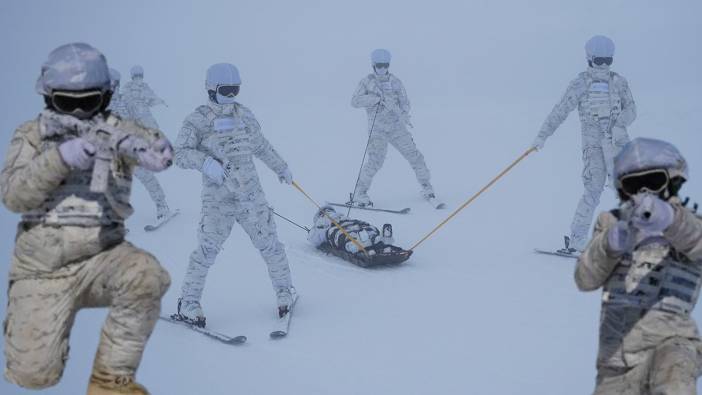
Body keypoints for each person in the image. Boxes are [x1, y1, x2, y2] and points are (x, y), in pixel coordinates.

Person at [1, 43, 173, 395]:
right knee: (33, 377)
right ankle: (37, 329)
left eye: (89, 101)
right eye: (67, 102)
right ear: (49, 97)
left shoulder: (116, 129)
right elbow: (13, 196)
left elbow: (161, 153)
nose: (78, 112)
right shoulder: (31, 136)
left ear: (106, 97)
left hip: (102, 258)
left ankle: (110, 382)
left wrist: (138, 144)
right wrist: (58, 159)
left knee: (147, 275)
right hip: (42, 268)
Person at [173, 63, 295, 328]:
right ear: (211, 89)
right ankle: (189, 302)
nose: (231, 96)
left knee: (270, 245)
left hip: (251, 196)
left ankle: (285, 292)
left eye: (235, 90)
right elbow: (179, 153)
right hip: (218, 201)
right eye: (227, 90)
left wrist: (281, 167)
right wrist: (207, 164)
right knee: (206, 250)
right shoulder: (198, 119)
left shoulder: (244, 115)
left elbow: (261, 146)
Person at [575, 137, 702, 394]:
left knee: (674, 375)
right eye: (635, 185)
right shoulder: (611, 223)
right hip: (616, 358)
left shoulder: (691, 223)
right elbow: (585, 279)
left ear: (673, 181)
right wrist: (610, 244)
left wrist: (670, 221)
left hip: (670, 342)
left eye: (654, 182)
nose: (645, 193)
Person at [532, 35, 637, 253]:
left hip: (618, 146)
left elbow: (631, 110)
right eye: (599, 60)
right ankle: (578, 239)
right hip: (594, 149)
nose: (602, 66)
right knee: (593, 191)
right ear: (589, 59)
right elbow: (559, 111)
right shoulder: (581, 83)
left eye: (607, 60)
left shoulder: (618, 82)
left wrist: (619, 125)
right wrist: (542, 136)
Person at [350, 49, 441, 208]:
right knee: (375, 161)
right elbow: (355, 101)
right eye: (379, 66)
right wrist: (376, 99)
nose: (382, 69)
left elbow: (405, 101)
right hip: (377, 129)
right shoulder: (367, 82)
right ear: (373, 65)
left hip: (396, 127)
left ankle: (426, 187)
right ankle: (360, 192)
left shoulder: (395, 82)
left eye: (385, 65)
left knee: (414, 155)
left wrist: (403, 113)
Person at [110, 67, 174, 223]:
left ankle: (162, 206)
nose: (113, 89)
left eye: (115, 85)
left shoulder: (126, 101)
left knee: (147, 178)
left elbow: (142, 117)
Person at [308, 205, 395, 254]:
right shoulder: (341, 215)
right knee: (364, 229)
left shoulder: (321, 221)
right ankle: (380, 239)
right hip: (352, 223)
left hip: (337, 228)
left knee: (342, 237)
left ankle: (358, 244)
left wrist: (311, 232)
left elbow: (315, 239)